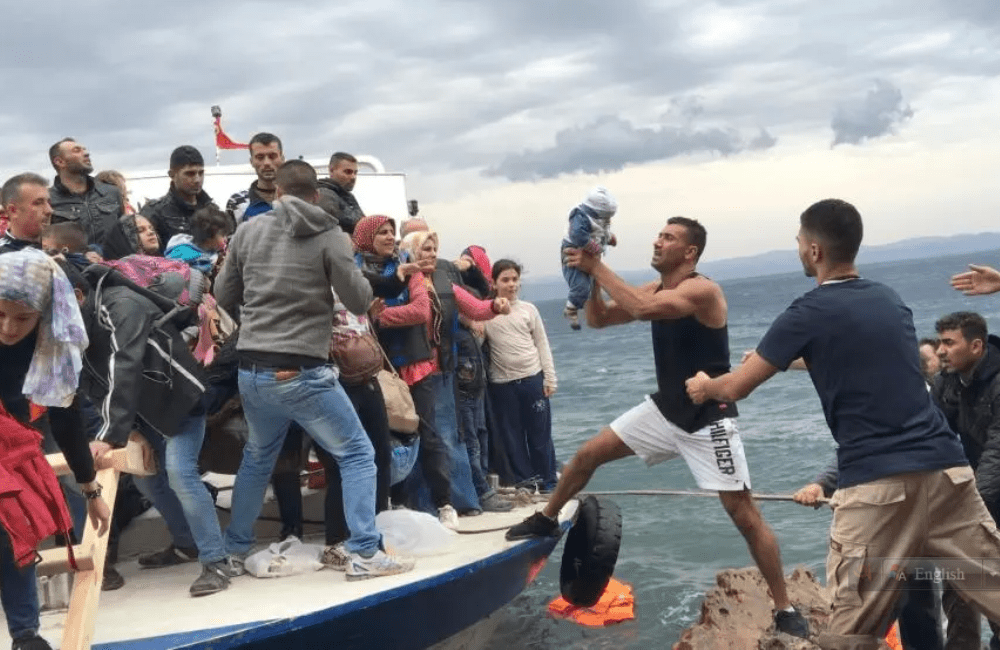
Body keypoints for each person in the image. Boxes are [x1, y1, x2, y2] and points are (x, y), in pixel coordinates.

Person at [685, 198, 1000, 649]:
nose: (797, 247)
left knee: (850, 633)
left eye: (798, 240)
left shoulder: (805, 312)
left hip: (877, 491)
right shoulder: (890, 301)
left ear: (814, 251)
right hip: (949, 478)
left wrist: (704, 386)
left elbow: (736, 387)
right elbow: (862, 363)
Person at [507, 216, 809, 639]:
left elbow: (644, 310)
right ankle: (546, 517)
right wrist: (587, 282)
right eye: (659, 234)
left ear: (689, 253)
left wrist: (596, 266)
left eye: (668, 238)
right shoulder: (653, 288)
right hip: (667, 409)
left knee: (744, 514)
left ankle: (784, 606)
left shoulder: (703, 290)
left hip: (709, 418)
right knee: (587, 454)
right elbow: (599, 319)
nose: (657, 241)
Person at [214, 160, 414, 580]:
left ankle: (232, 552)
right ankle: (364, 554)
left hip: (252, 369)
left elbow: (223, 293)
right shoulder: (328, 234)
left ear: (277, 193)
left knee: (257, 459)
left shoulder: (248, 231)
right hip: (302, 369)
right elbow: (359, 300)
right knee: (358, 454)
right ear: (316, 196)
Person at [0, 249, 111, 650]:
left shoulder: (54, 346)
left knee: (15, 529)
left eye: (22, 318)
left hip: (10, 440)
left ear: (44, 315)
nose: (9, 328)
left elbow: (66, 419)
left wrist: (90, 489)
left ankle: (26, 636)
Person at [931, 312, 1000, 649]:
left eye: (948, 343)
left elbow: (997, 452)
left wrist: (971, 507)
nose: (941, 351)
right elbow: (930, 436)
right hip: (982, 491)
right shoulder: (949, 381)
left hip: (989, 488)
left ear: (976, 346)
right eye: (940, 342)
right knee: (958, 581)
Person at [482, 259, 558, 491]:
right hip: (503, 384)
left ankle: (548, 483)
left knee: (539, 435)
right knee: (512, 437)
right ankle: (526, 482)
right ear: (494, 283)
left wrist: (550, 378)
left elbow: (542, 344)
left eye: (515, 279)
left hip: (533, 379)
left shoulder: (528, 309)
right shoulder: (487, 312)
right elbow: (478, 340)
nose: (512, 284)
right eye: (505, 280)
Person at [47, 138, 123, 250]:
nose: (86, 153)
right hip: (74, 266)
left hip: (115, 264)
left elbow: (125, 232)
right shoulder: (47, 200)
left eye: (84, 149)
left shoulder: (111, 192)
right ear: (60, 162)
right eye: (77, 150)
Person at [560, 186, 618, 330]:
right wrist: (594, 248)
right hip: (573, 249)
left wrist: (608, 238)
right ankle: (571, 309)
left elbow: (600, 231)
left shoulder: (600, 220)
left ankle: (580, 304)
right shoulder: (581, 217)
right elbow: (578, 235)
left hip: (591, 252)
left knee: (593, 285)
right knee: (581, 286)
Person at [140, 146, 216, 250]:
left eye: (201, 173)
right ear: (172, 174)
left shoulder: (212, 211)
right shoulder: (154, 213)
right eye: (190, 173)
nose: (197, 179)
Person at [227, 132, 284, 226]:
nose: (267, 163)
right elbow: (231, 240)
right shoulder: (237, 202)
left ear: (282, 158)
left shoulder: (298, 197)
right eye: (260, 157)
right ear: (251, 162)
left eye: (272, 156)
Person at [165, 205, 230, 274]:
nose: (226, 239)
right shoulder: (185, 254)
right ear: (209, 236)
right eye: (223, 235)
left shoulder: (209, 253)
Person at [1, 173, 51, 255]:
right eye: (38, 203)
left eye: (49, 202)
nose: (49, 210)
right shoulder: (3, 257)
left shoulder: (65, 248)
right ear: (13, 210)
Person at [317, 152, 364, 235]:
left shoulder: (348, 197)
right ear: (331, 170)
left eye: (355, 172)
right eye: (348, 172)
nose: (353, 177)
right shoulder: (323, 195)